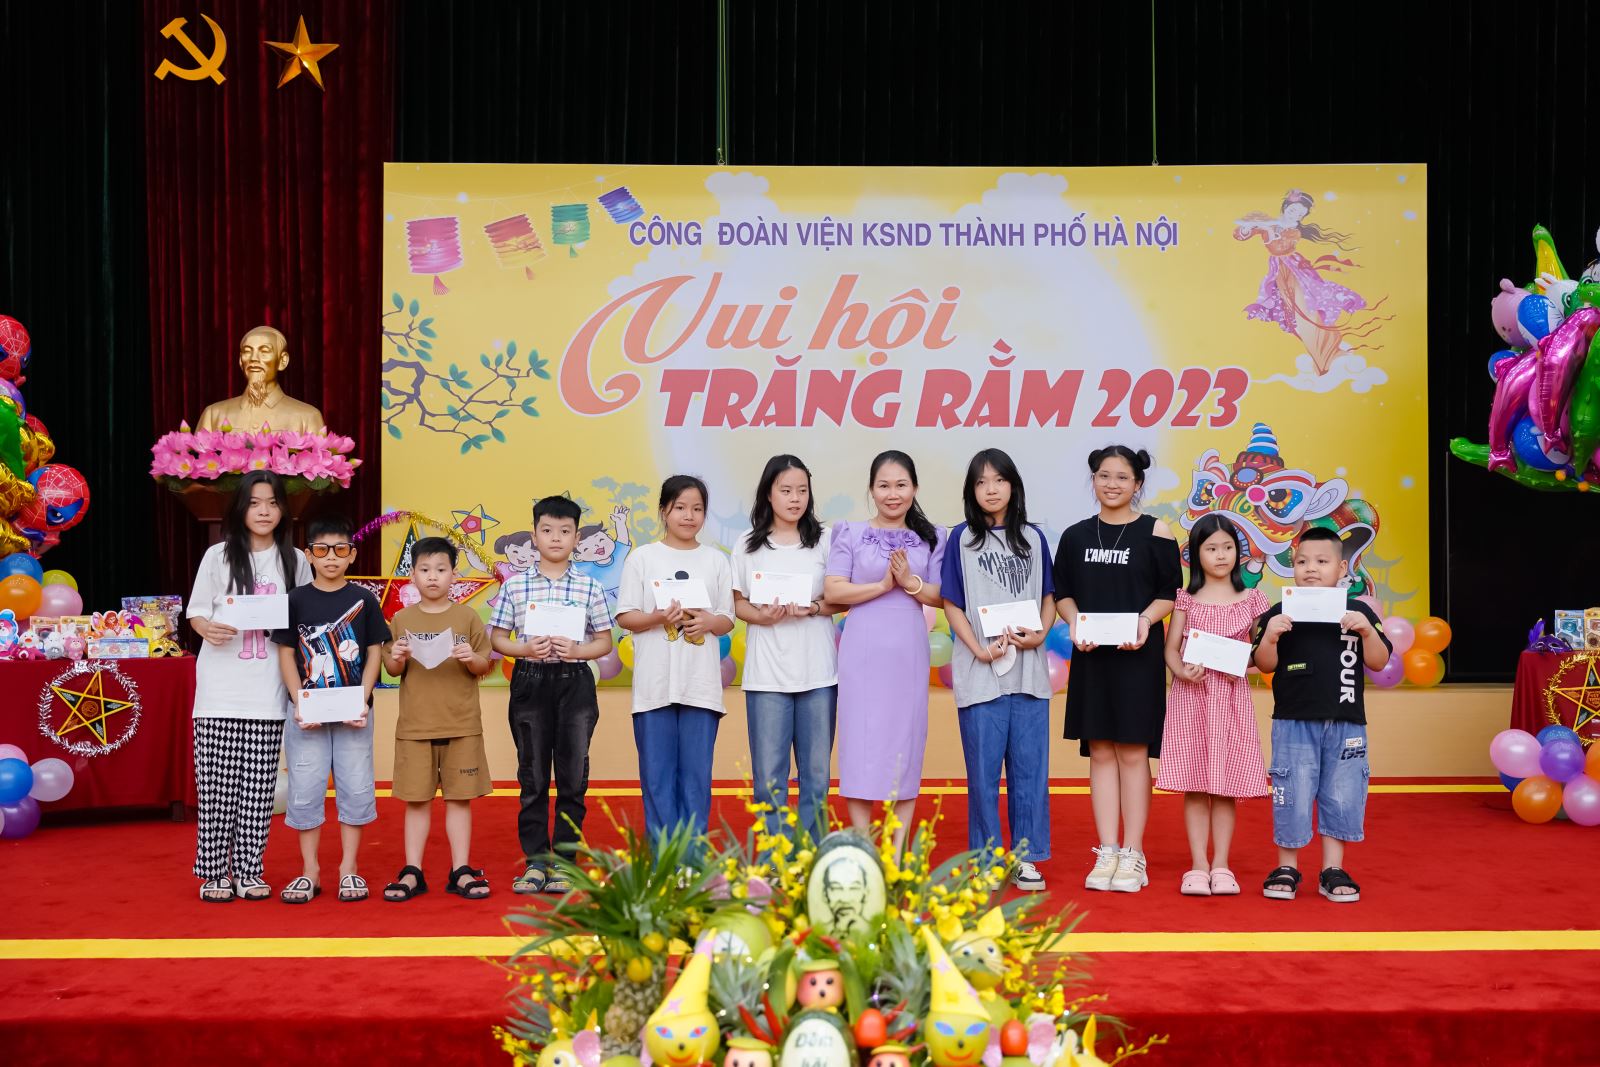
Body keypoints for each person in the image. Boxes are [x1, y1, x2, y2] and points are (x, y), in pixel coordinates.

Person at [1054, 445, 1180, 894]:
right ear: (1093, 480)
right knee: (1101, 752)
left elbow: (1170, 592)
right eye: (1104, 476)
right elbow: (1063, 592)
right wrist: (1075, 623)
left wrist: (1145, 621)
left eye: (1122, 477)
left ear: (1138, 483)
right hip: (1093, 658)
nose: (1112, 484)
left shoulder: (1156, 531)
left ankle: (1133, 853)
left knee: (1131, 752)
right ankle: (1107, 850)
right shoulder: (1075, 536)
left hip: (1137, 657)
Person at [185, 471, 311, 903]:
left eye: (272, 503)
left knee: (258, 791)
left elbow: (304, 619)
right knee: (216, 789)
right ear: (240, 508)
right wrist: (208, 628)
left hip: (268, 691)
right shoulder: (218, 556)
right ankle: (214, 872)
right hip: (218, 691)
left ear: (283, 510)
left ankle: (249, 870)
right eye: (255, 503)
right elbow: (197, 612)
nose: (263, 511)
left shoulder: (295, 560)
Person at [1252, 526, 1391, 903]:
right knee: (1291, 792)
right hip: (1292, 720)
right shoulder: (1280, 611)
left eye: (1321, 561)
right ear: (1292, 567)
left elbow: (1379, 662)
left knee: (1342, 794)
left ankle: (1333, 868)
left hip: (1346, 721)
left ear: (1342, 568)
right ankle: (1287, 866)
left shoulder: (1358, 611)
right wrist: (1270, 636)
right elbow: (1264, 663)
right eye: (1302, 561)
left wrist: (1367, 633)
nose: (1310, 568)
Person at [489, 496, 615, 895]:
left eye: (564, 531)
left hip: (574, 682)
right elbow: (497, 638)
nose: (555, 538)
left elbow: (605, 642)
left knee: (573, 776)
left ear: (576, 538)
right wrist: (524, 648)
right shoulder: (515, 585)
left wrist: (578, 650)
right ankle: (536, 862)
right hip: (530, 680)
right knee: (533, 776)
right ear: (534, 535)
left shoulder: (590, 586)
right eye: (547, 530)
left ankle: (565, 861)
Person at [941, 449, 1054, 891]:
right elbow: (951, 603)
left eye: (999, 480)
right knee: (983, 775)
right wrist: (978, 650)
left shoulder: (1033, 538)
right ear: (971, 490)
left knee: (1029, 773)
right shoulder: (961, 539)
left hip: (1028, 674)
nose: (991, 489)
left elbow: (1049, 596)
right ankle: (986, 859)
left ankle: (1026, 858)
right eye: (981, 482)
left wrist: (1040, 635)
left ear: (1013, 485)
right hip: (980, 672)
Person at [825, 450, 946, 856]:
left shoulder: (933, 536)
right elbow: (833, 589)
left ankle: (896, 850)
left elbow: (942, 595)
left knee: (904, 744)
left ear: (914, 488)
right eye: (884, 486)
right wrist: (880, 586)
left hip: (907, 651)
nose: (893, 494)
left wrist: (910, 582)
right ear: (872, 490)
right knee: (860, 742)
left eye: (901, 485)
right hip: (862, 649)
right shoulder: (849, 532)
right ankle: (863, 845)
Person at [271, 515, 389, 904]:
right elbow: (286, 654)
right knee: (305, 791)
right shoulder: (295, 600)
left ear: (352, 555)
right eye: (322, 550)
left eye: (340, 549)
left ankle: (348, 868)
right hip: (307, 716)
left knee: (356, 788)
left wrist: (363, 700)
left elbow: (374, 653)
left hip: (354, 715)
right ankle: (310, 870)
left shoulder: (364, 599)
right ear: (309, 555)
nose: (331, 557)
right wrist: (297, 701)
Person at [616, 476, 734, 850]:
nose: (689, 516)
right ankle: (664, 861)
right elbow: (626, 616)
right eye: (680, 507)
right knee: (657, 777)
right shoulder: (643, 558)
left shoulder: (716, 560)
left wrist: (708, 622)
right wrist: (658, 617)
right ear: (664, 510)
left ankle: (693, 861)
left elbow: (727, 618)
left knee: (696, 778)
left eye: (697, 509)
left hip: (701, 687)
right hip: (654, 688)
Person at [1157, 514, 1270, 897]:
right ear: (1195, 554)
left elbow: (1260, 655)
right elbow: (1171, 650)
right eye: (1211, 548)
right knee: (1195, 783)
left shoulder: (1253, 599)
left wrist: (1241, 659)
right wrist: (1182, 672)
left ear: (1237, 552)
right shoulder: (1185, 599)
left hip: (1232, 700)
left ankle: (1221, 864)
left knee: (1225, 786)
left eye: (1227, 547)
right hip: (1192, 699)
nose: (1221, 555)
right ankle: (1198, 865)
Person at [381, 536, 496, 902]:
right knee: (416, 800)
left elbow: (484, 664)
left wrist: (470, 657)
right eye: (425, 569)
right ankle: (412, 871)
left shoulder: (467, 617)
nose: (433, 577)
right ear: (412, 575)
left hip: (461, 724)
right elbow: (392, 669)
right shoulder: (401, 619)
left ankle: (460, 869)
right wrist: (398, 655)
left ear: (454, 575)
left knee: (459, 799)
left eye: (441, 569)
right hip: (415, 726)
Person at [731, 455, 838, 845]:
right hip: (767, 676)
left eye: (802, 491)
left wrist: (813, 608)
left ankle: (809, 852)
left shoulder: (826, 540)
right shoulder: (748, 543)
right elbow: (737, 603)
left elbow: (841, 598)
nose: (795, 499)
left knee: (817, 776)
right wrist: (761, 617)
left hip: (818, 674)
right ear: (768, 494)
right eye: (786, 490)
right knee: (768, 778)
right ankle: (775, 856)